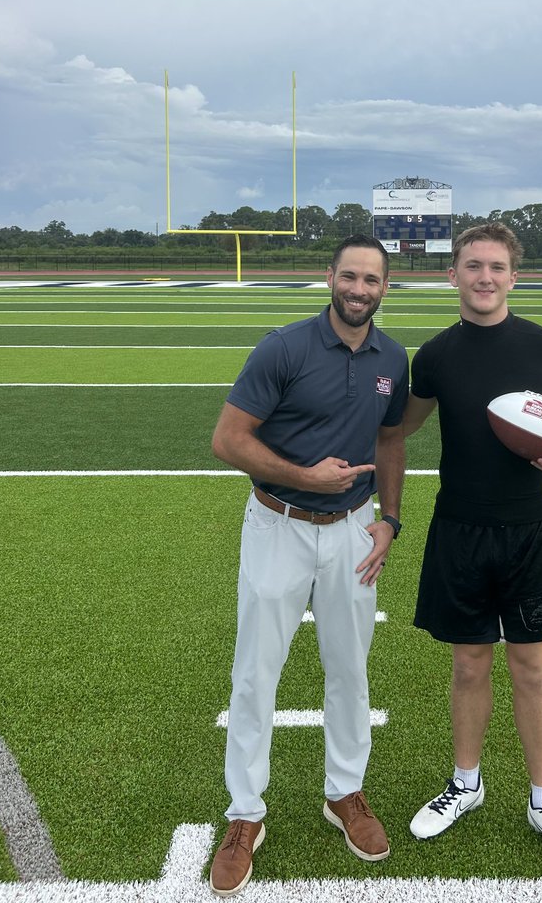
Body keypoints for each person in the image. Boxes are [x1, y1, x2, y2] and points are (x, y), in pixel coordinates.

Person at [208, 234, 408, 896]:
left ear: (385, 286)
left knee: (350, 670)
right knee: (255, 672)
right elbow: (227, 440)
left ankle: (344, 793)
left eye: (371, 280)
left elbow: (389, 439)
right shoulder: (284, 347)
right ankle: (245, 814)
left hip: (352, 529)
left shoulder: (390, 355)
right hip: (279, 524)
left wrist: (389, 518)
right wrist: (305, 476)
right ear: (330, 277)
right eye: (349, 277)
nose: (358, 290)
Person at [403, 223, 542, 876]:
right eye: (472, 265)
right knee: (467, 664)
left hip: (530, 529)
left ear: (514, 276)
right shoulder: (432, 357)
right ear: (451, 275)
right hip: (459, 526)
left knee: (532, 667)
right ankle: (467, 783)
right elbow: (397, 430)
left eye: (496, 266)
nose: (484, 276)